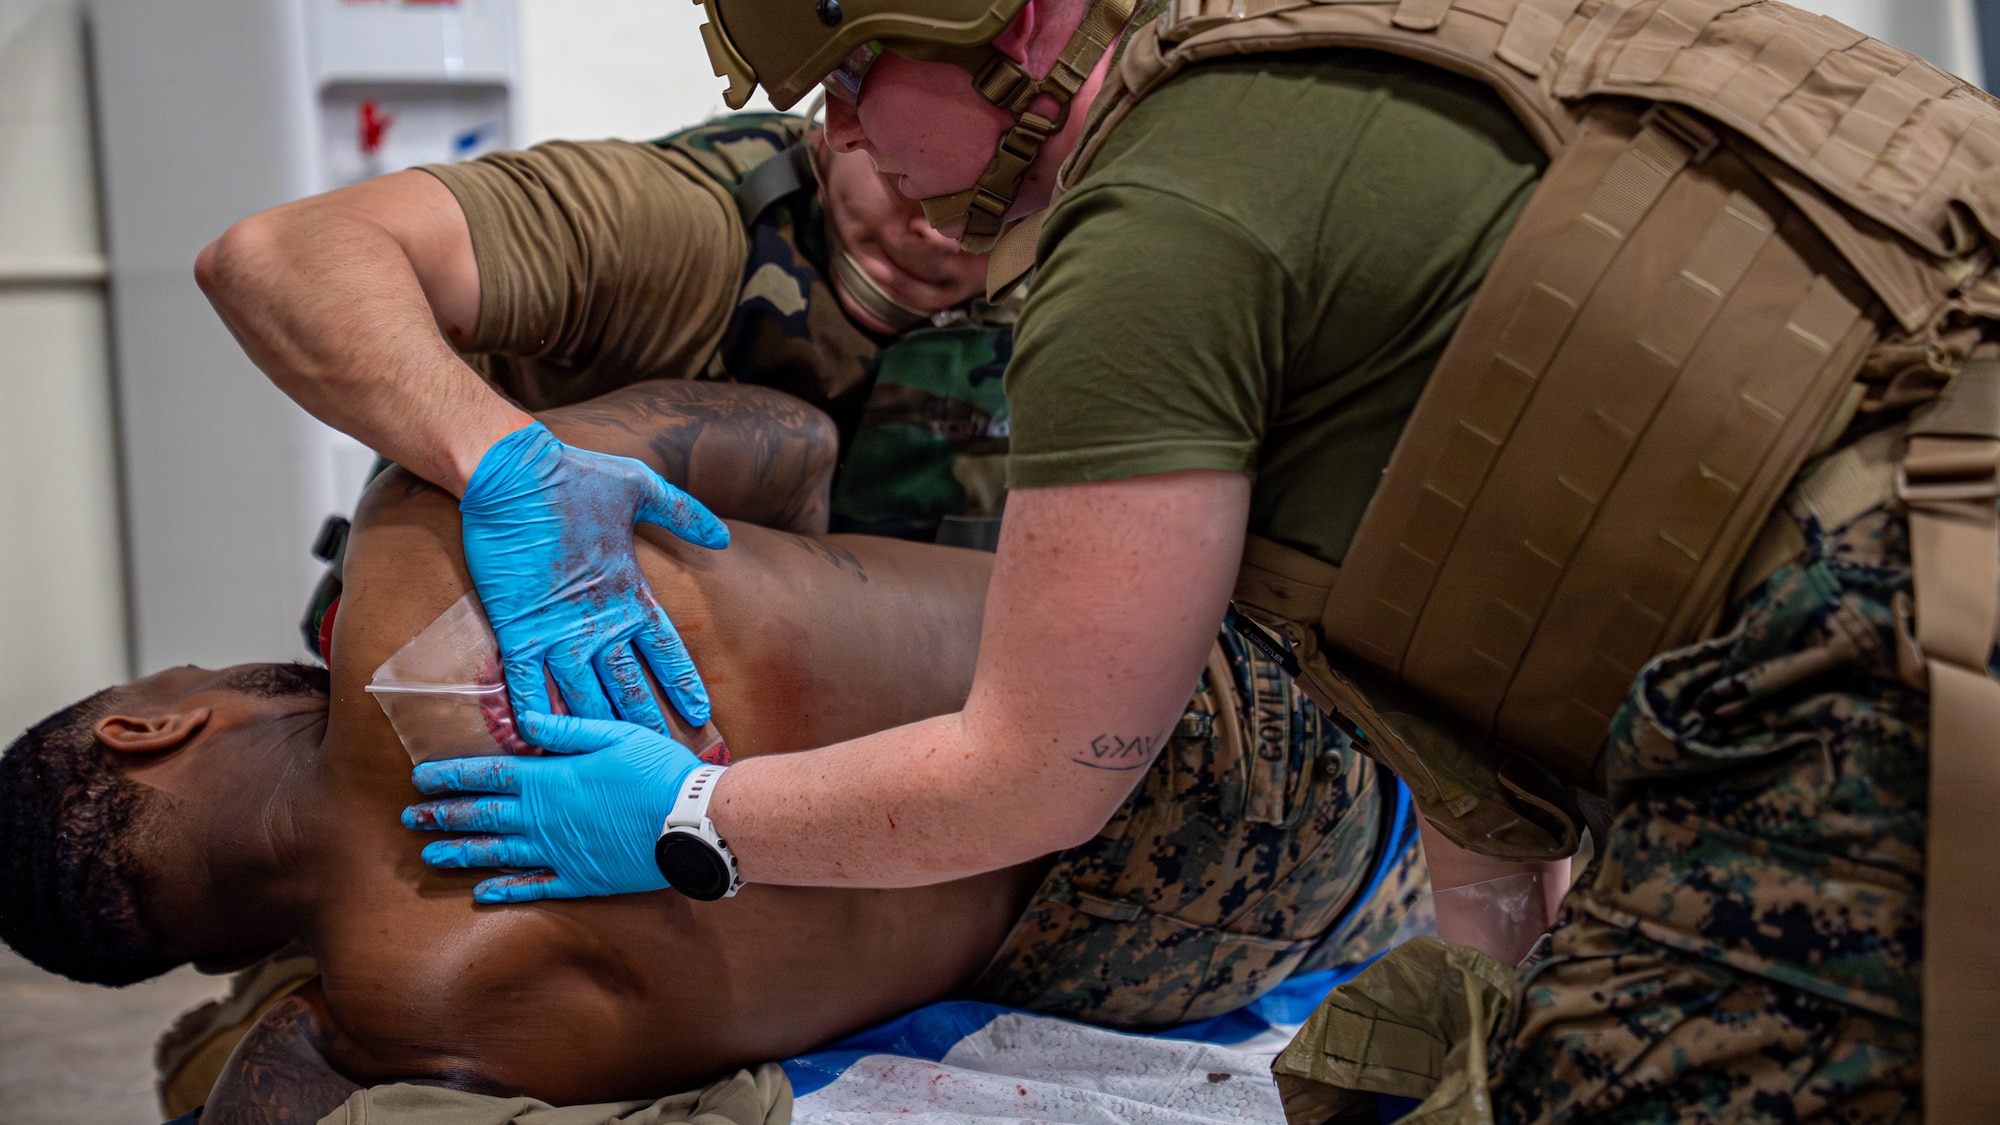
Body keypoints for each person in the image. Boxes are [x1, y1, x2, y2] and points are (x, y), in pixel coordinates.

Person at [398, 0, 2000, 1117]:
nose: (835, 127)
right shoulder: (1356, 58)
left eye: (857, 69)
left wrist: (684, 818)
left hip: (1886, 629)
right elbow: (1469, 610)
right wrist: (1499, 975)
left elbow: (1039, 769)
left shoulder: (1153, 231)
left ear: (1015, 33)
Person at [0, 381, 1420, 1118]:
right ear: (150, 722)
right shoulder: (426, 539)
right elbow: (792, 437)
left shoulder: (411, 1025)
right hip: (1220, 698)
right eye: (166, 673)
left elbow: (257, 1095)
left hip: (1181, 949)